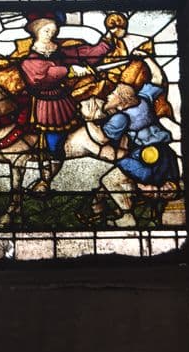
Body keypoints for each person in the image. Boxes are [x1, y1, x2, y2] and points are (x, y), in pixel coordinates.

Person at [19, 15, 120, 191]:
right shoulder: (29, 60)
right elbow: (39, 77)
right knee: (53, 142)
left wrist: (108, 39)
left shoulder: (60, 52)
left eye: (53, 30)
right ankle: (45, 178)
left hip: (64, 102)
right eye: (46, 30)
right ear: (36, 31)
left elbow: (87, 53)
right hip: (44, 106)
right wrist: (69, 70)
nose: (51, 34)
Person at [91, 81, 180, 227]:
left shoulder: (121, 118)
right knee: (115, 175)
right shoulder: (144, 100)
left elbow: (102, 138)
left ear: (121, 99)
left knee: (109, 179)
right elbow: (157, 81)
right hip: (161, 153)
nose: (109, 95)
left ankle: (127, 217)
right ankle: (98, 206)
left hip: (145, 164)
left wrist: (90, 119)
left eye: (113, 93)